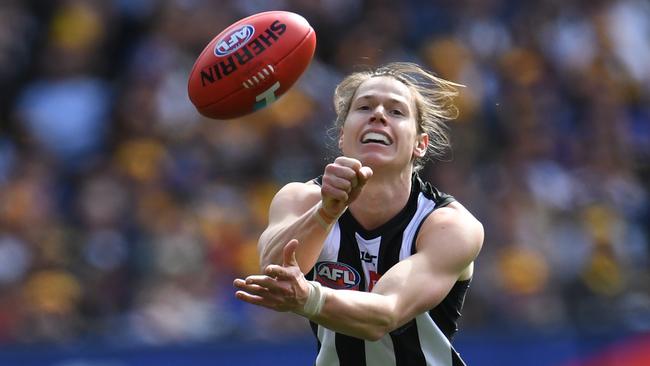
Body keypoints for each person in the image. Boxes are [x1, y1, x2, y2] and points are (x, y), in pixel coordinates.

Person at [233, 62, 484, 366]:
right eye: (364, 107)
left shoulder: (449, 225)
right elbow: (275, 270)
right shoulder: (299, 198)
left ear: (420, 144)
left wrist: (309, 298)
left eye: (396, 111)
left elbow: (384, 314)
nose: (378, 114)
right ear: (342, 136)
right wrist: (324, 214)